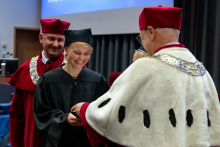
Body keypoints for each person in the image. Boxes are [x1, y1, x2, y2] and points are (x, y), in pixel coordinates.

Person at [71, 6, 220, 147]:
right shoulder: (200, 69)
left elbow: (112, 114)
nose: (142, 42)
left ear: (151, 32)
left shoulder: (145, 66)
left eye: (141, 37)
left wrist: (84, 109)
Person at [33, 28, 109, 147]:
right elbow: (41, 113)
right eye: (77, 52)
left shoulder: (97, 80)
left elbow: (106, 110)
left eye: (86, 53)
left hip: (87, 142)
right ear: (66, 49)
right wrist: (63, 118)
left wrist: (87, 111)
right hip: (60, 142)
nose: (82, 58)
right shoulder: (48, 80)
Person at [8, 19, 70, 147]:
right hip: (32, 137)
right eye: (51, 38)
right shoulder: (26, 70)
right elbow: (16, 116)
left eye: (60, 40)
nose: (56, 44)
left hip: (63, 138)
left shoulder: (75, 70)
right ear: (41, 38)